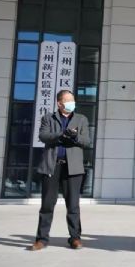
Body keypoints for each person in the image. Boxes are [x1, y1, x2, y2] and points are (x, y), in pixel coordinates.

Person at [30, 90, 90, 251]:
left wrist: (75, 137)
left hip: (73, 168)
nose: (72, 103)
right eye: (68, 101)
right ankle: (41, 239)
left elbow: (86, 141)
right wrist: (61, 135)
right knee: (47, 205)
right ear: (59, 103)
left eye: (73, 100)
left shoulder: (81, 119)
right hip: (52, 165)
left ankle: (75, 238)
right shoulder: (48, 118)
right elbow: (43, 136)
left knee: (73, 205)